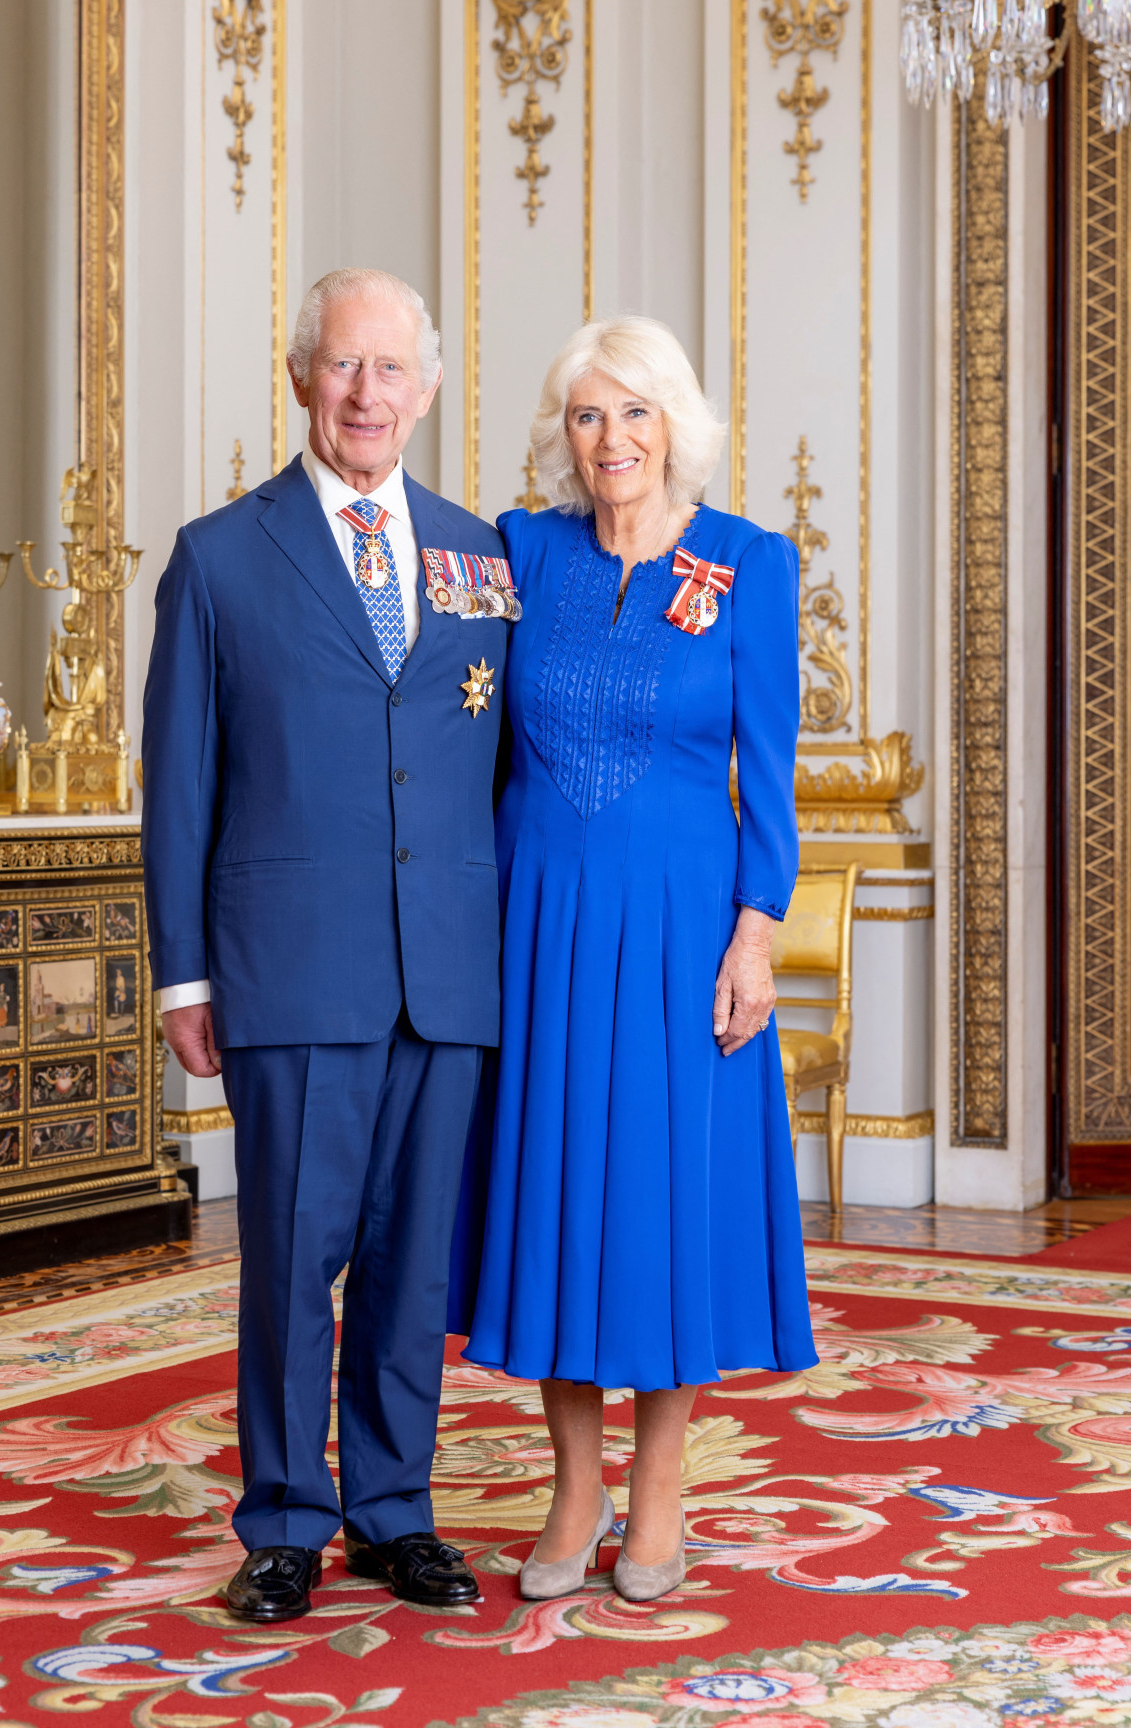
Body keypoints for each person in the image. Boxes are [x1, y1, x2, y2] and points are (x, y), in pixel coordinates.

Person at [143, 268, 517, 1624]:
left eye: (391, 370)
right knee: (293, 1255)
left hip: (447, 973)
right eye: (342, 366)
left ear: (426, 388)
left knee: (416, 1260)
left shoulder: (485, 554)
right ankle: (287, 1523)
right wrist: (186, 972)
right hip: (290, 966)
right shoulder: (223, 554)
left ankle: (395, 1510)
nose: (367, 393)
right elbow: (180, 781)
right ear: (302, 379)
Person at [458, 315, 818, 1604]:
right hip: (539, 921)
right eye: (588, 415)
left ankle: (661, 1496)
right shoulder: (520, 551)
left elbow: (768, 777)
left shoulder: (748, 563)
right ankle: (575, 1486)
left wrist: (755, 936)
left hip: (681, 926)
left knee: (661, 1204)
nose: (610, 439)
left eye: (635, 412)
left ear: (677, 425)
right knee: (553, 1192)